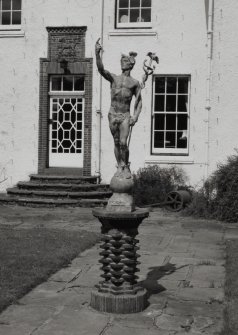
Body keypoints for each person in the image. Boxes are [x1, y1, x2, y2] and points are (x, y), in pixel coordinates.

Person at [95, 38, 142, 178]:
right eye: (122, 61)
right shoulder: (114, 78)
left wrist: (135, 116)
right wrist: (97, 54)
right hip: (113, 114)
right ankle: (119, 166)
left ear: (131, 64)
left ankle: (126, 166)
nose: (122, 62)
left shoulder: (135, 83)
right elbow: (101, 69)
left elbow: (139, 102)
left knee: (123, 142)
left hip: (125, 115)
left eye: (125, 61)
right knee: (116, 142)